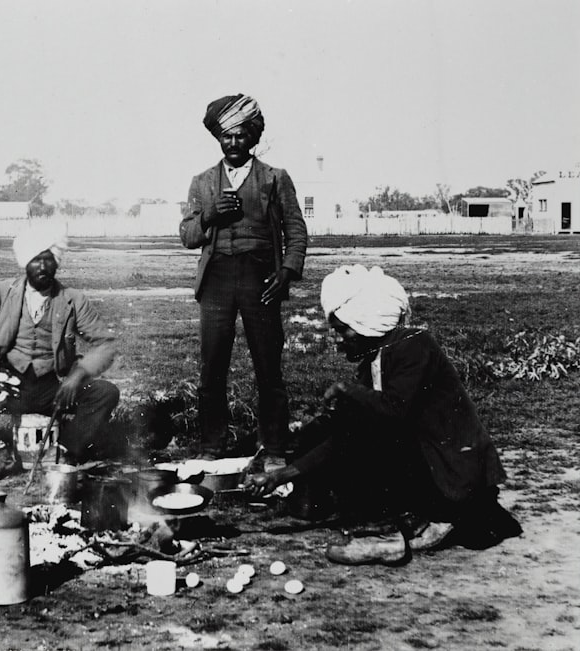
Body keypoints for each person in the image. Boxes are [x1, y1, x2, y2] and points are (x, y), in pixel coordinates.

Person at [246, 265, 521, 565]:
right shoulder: (377, 357)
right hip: (432, 466)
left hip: (453, 471)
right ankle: (411, 519)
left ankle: (384, 533)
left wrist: (346, 390)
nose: (338, 340)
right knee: (340, 426)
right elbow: (342, 434)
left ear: (365, 322)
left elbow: (392, 411)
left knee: (364, 430)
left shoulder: (414, 345)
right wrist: (279, 476)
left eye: (342, 330)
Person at [180, 94, 308, 468]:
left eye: (240, 135)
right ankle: (211, 446)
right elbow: (187, 235)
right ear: (217, 137)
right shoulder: (202, 182)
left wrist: (286, 272)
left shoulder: (274, 178)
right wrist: (208, 217)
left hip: (261, 277)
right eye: (226, 136)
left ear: (253, 136)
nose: (233, 143)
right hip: (217, 278)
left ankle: (275, 448)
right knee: (212, 365)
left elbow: (296, 230)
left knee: (268, 365)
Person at [0, 223, 120, 484]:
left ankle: (64, 453)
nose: (42, 267)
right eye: (35, 259)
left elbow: (106, 344)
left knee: (106, 393)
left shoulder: (73, 299)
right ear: (24, 262)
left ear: (57, 263)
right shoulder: (4, 292)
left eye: (48, 259)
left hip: (55, 388)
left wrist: (77, 375)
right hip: (8, 386)